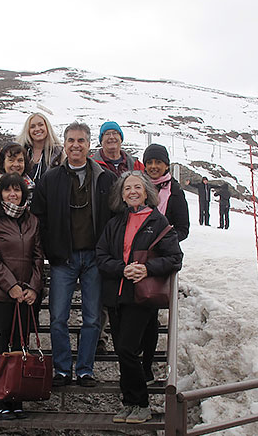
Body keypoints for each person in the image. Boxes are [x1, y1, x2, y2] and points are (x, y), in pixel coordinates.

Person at [31, 122, 117, 387]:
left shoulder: (105, 178)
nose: (76, 145)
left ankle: (85, 369)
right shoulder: (51, 178)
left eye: (81, 140)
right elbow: (39, 216)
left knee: (92, 318)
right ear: (64, 144)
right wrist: (51, 248)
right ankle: (61, 369)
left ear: (90, 145)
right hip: (63, 258)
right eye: (71, 140)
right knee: (58, 317)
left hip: (94, 257)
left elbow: (115, 217)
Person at [96, 171, 183, 424]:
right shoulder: (114, 223)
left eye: (137, 187)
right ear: (121, 196)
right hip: (117, 295)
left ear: (146, 192)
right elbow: (101, 256)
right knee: (124, 352)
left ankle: (141, 403)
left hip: (140, 297)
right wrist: (121, 269)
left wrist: (147, 269)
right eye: (127, 188)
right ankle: (129, 402)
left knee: (126, 348)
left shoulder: (158, 222)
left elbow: (174, 258)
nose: (132, 191)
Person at [0, 173, 44, 420]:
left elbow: (38, 257)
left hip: (25, 298)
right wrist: (11, 285)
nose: (13, 194)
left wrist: (33, 288)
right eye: (7, 190)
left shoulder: (32, 221)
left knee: (19, 349)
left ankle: (15, 398)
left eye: (17, 190)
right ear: (0, 193)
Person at [91, 121, 144, 354]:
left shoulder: (134, 163)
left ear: (121, 138)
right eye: (107, 134)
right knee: (103, 284)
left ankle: (128, 335)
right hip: (103, 230)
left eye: (115, 134)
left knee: (130, 281)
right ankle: (100, 335)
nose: (111, 138)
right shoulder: (93, 163)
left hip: (132, 231)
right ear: (100, 140)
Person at [141, 143, 189, 383]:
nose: (153, 167)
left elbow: (183, 228)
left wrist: (162, 241)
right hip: (135, 259)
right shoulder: (136, 186)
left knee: (150, 315)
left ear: (166, 164)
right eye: (149, 162)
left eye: (157, 162)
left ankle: (146, 365)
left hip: (159, 262)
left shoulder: (175, 192)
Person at [16, 112, 64, 181]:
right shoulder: (20, 151)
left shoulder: (59, 153)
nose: (37, 129)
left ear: (47, 127)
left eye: (40, 125)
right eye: (32, 126)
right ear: (28, 131)